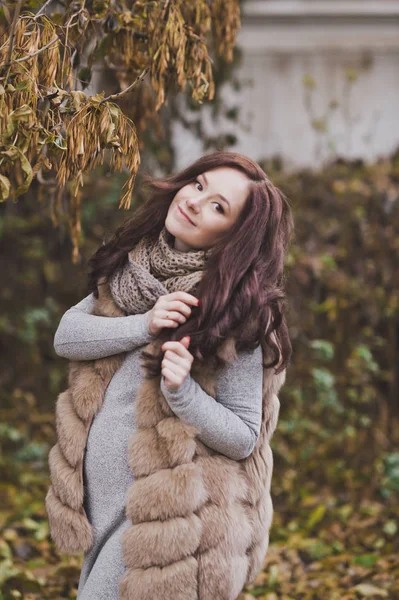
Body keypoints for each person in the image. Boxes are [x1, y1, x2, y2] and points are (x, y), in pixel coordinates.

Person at [47, 150, 294, 600]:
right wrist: (144, 324)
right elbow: (67, 336)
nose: (196, 202)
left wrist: (182, 392)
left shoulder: (236, 312)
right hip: (104, 505)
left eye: (219, 206)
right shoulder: (132, 273)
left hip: (171, 528)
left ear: (234, 237)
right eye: (199, 185)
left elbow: (243, 436)